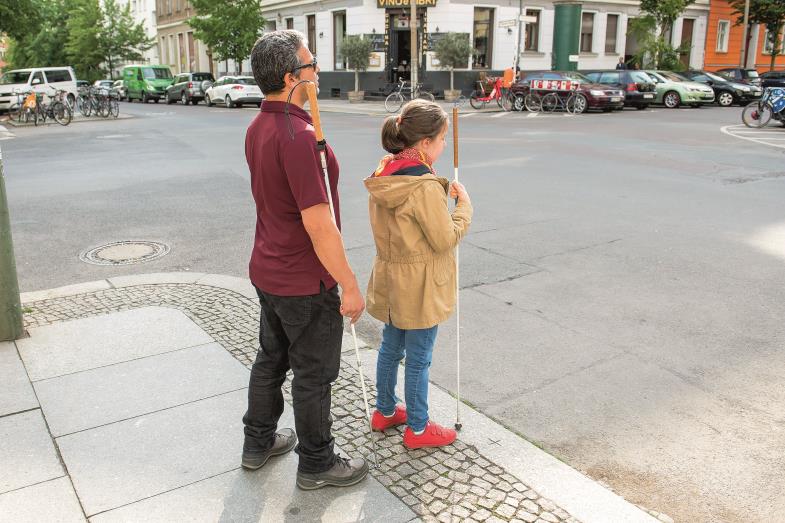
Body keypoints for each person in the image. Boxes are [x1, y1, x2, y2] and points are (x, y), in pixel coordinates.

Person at [241, 29, 368, 490]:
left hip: (268, 268)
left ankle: (257, 442)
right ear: (293, 77)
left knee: (271, 358)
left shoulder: (260, 125)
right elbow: (319, 223)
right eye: (312, 65)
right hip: (302, 279)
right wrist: (349, 284)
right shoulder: (297, 135)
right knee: (313, 374)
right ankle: (316, 462)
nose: (317, 71)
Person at [364, 100, 473, 449]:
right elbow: (443, 240)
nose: (444, 145)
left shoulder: (384, 173)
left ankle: (384, 410)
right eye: (442, 138)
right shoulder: (423, 185)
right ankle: (419, 427)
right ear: (425, 143)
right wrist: (464, 208)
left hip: (392, 277)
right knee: (419, 357)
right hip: (421, 284)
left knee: (391, 347)